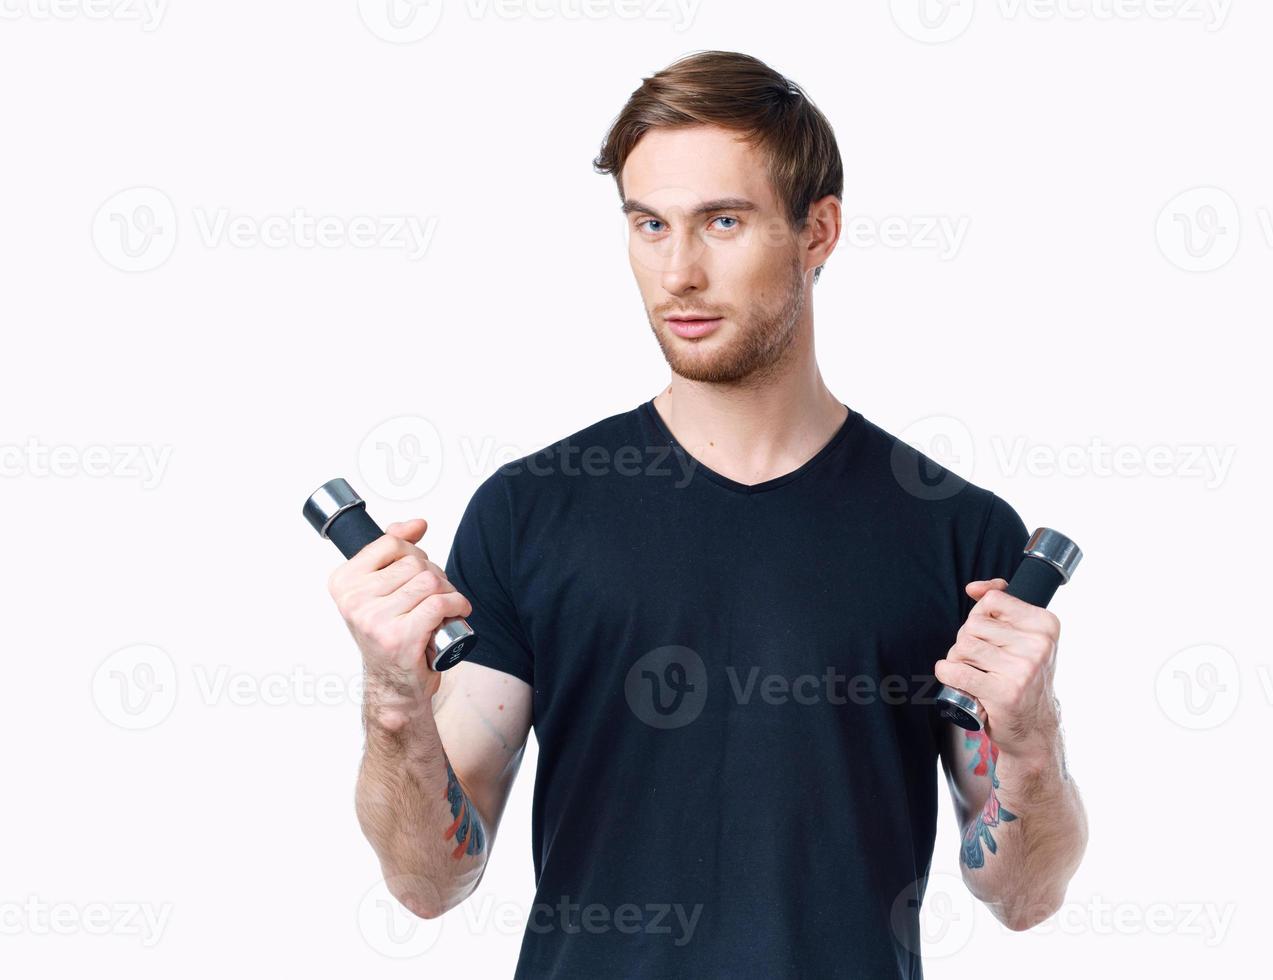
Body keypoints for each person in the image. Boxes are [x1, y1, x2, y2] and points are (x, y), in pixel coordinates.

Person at [326, 49, 1087, 980]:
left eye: (722, 222)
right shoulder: (531, 512)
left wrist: (1032, 735)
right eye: (650, 224)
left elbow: (1023, 896)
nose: (678, 271)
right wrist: (394, 699)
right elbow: (428, 882)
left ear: (820, 231)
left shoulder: (953, 532)